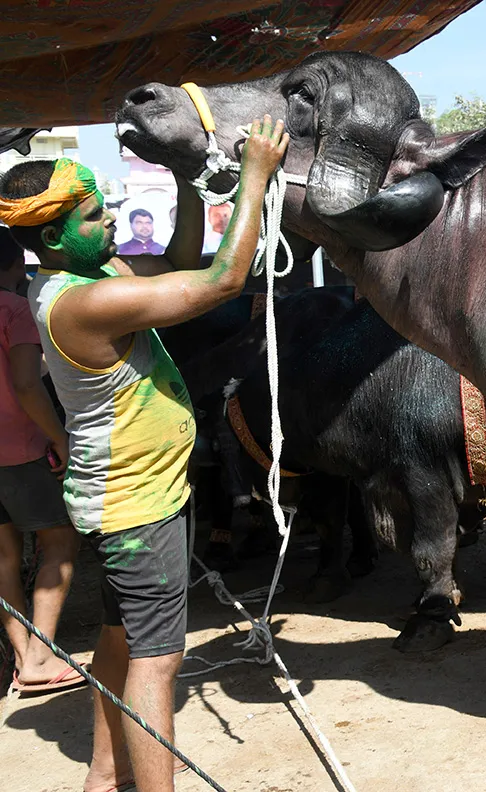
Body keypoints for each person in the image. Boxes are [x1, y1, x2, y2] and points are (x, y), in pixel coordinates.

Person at [0, 115, 288, 792]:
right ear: (52, 236)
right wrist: (251, 177)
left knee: (120, 641)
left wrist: (189, 181)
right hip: (138, 508)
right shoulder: (85, 302)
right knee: (158, 663)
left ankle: (105, 776)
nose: (110, 222)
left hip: (129, 496)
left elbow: (183, 257)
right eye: (96, 215)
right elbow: (221, 280)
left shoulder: (88, 274)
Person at [0, 228, 83, 698]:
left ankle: (23, 657)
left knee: (4, 557)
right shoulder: (14, 309)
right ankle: (38, 656)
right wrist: (60, 438)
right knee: (60, 543)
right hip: (20, 448)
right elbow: (29, 387)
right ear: (15, 266)